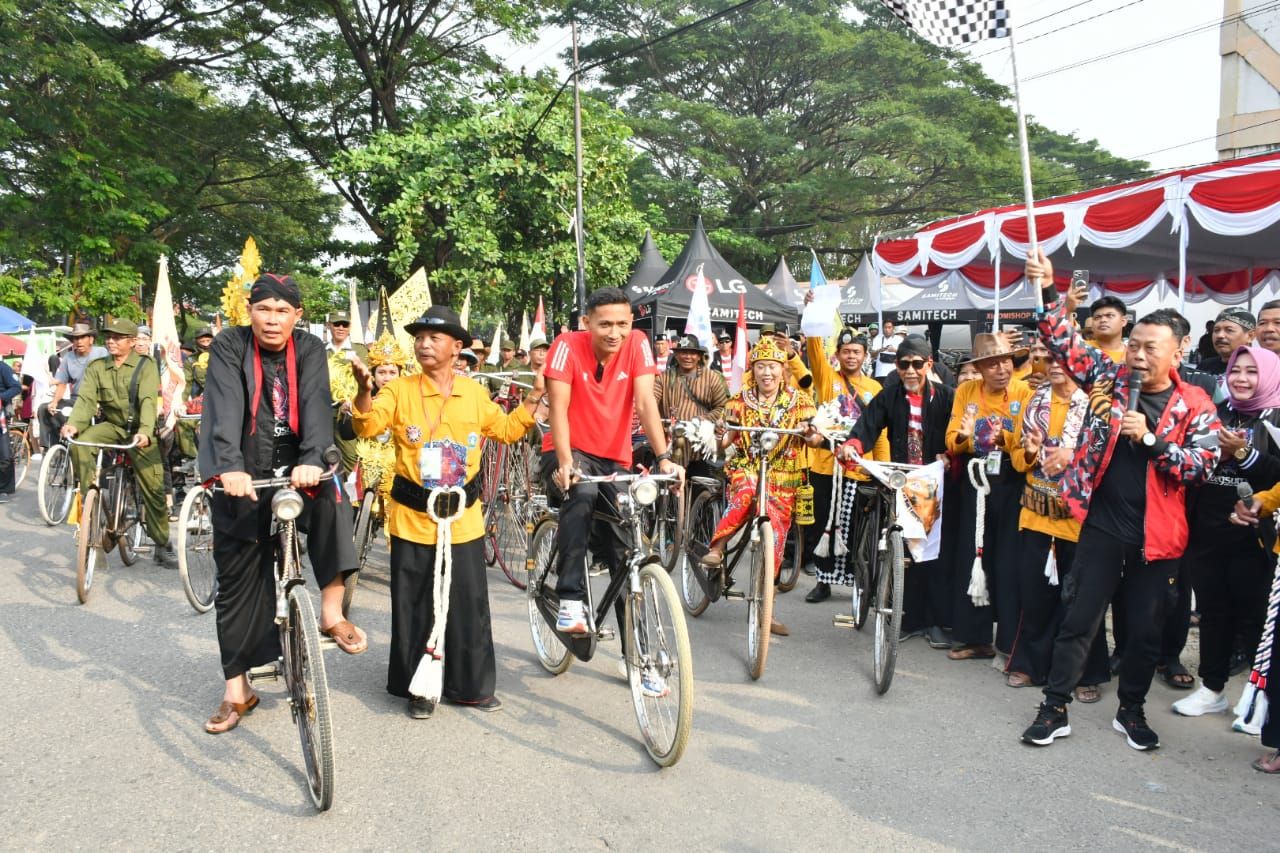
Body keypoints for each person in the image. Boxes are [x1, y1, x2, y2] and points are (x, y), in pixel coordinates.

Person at [1019, 249, 1221, 751]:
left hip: (1158, 539)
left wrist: (1154, 442)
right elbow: (1062, 341)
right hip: (1103, 526)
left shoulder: (1195, 403)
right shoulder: (1107, 379)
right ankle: (1054, 706)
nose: (1138, 353)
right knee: (1079, 618)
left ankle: (1131, 710)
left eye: (1151, 347)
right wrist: (1047, 289)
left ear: (1177, 354)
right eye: (1134, 344)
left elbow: (1204, 466)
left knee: (1144, 632)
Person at [352, 305, 544, 718]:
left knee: (467, 602)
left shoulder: (474, 393)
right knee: (416, 604)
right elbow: (367, 426)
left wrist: (534, 400)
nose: (424, 343)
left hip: (463, 520)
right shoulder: (399, 390)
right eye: (419, 337)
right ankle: (421, 688)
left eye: (434, 338)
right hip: (412, 519)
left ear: (457, 347)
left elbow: (507, 430)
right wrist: (363, 390)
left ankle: (469, 686)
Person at [197, 273, 363, 734]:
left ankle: (331, 610)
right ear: (249, 311)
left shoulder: (309, 349)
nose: (272, 320)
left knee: (333, 500)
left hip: (296, 467)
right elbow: (225, 406)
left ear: (297, 315)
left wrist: (313, 459)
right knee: (237, 580)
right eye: (263, 309)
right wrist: (229, 467)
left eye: (282, 311)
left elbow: (315, 404)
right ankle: (237, 691)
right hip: (243, 472)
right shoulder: (230, 345)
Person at [540, 287, 682, 648]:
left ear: (631, 322)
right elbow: (557, 409)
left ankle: (637, 653)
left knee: (625, 547)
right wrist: (568, 463)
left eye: (621, 323)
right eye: (604, 324)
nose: (614, 332)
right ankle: (570, 596)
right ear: (587, 322)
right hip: (566, 449)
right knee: (582, 491)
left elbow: (646, 403)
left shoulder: (637, 343)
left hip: (614, 459)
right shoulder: (566, 346)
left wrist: (664, 457)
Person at [1172, 344, 1280, 720]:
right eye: (1236, 371)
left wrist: (1246, 456)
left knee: (1257, 620)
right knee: (1215, 614)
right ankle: (1212, 689)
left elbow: (1277, 476)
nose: (1242, 379)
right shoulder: (1217, 414)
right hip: (1209, 531)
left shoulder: (1277, 417)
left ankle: (1262, 701)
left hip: (1258, 540)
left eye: (1252, 372)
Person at [1005, 339, 1110, 701]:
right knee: (1034, 596)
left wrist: (1074, 457)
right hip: (1036, 514)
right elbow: (1018, 458)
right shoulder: (1035, 401)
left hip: (1080, 519)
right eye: (1048, 358)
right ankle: (1030, 664)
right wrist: (1031, 452)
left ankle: (1085, 673)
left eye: (1062, 359)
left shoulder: (1097, 407)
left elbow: (1106, 461)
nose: (1053, 365)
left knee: (1081, 601)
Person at [838, 335, 956, 648]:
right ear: (898, 367)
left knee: (933, 554)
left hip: (936, 484)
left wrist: (951, 455)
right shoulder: (889, 396)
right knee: (901, 550)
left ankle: (933, 621)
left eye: (918, 364)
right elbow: (867, 426)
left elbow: (959, 436)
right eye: (904, 365)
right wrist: (852, 445)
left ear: (929, 365)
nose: (911, 371)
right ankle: (904, 616)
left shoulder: (947, 396)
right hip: (900, 483)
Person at [701, 337, 820, 636]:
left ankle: (768, 610)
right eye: (761, 366)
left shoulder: (800, 401)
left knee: (777, 540)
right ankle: (717, 546)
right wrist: (721, 433)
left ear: (783, 369)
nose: (767, 373)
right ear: (753, 369)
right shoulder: (739, 400)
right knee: (745, 493)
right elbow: (724, 442)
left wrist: (810, 433)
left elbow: (815, 437)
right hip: (747, 467)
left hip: (783, 475)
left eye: (772, 366)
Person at [945, 332, 1032, 661]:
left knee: (1010, 561)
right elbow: (952, 438)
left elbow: (1027, 443)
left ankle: (1009, 643)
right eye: (992, 363)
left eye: (1006, 361)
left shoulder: (1025, 392)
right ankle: (973, 637)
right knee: (973, 554)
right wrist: (966, 438)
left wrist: (1004, 438)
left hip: (1012, 479)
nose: (1001, 369)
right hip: (974, 478)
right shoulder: (966, 391)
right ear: (979, 367)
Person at [61, 319, 175, 566]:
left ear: (132, 342)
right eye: (109, 337)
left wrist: (145, 431)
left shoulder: (146, 365)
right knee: (81, 443)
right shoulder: (97, 367)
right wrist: (74, 423)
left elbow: (147, 401)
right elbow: (86, 400)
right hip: (112, 426)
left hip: (138, 430)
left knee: (153, 487)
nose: (111, 341)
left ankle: (162, 543)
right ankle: (90, 495)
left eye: (118, 337)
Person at [801, 325, 887, 603]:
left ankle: (856, 583)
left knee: (854, 526)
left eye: (857, 352)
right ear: (837, 354)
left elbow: (881, 433)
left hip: (860, 468)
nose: (851, 356)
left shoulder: (875, 388)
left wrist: (882, 469)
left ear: (865, 355)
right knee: (823, 522)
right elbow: (814, 352)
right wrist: (813, 320)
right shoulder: (828, 379)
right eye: (846, 351)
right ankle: (823, 582)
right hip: (825, 466)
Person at [38, 323, 106, 450]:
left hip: (98, 400)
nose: (79, 341)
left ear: (91, 339)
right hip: (76, 400)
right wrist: (54, 401)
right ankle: (52, 448)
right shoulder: (68, 357)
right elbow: (62, 383)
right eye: (75, 338)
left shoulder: (102, 353)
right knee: (44, 409)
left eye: (82, 337)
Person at [654, 334, 729, 426]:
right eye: (684, 353)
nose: (688, 357)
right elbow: (651, 402)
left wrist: (704, 419)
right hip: (672, 435)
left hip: (702, 435)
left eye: (692, 353)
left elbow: (723, 407)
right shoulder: (664, 378)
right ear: (676, 355)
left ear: (699, 356)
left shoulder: (711, 377)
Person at [326, 311, 366, 475]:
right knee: (325, 457)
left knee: (351, 458)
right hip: (325, 412)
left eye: (345, 324)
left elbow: (367, 377)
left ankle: (353, 497)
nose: (341, 328)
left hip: (349, 413)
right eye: (336, 324)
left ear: (350, 327)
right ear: (329, 326)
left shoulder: (360, 350)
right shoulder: (321, 350)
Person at [1197, 307, 1255, 376]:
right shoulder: (1204, 366)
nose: (1220, 335)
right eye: (1216, 330)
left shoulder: (1260, 367)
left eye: (1229, 330)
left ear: (1250, 336)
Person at [0, 357, 21, 502]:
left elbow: (16, 387)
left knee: (4, 454)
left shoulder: (3, 368)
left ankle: (4, 488)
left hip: (0, 414)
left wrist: (1, 397)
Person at [1086, 295, 1128, 363]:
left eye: (1110, 316)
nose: (1103, 320)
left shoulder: (1133, 354)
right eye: (1097, 317)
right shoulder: (1081, 349)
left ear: (1123, 321)